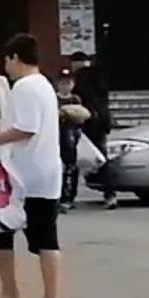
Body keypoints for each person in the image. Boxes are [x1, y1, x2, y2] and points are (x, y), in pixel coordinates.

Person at [0, 33, 66, 298]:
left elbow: (25, 129)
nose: (4, 67)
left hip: (22, 176)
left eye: (6, 60)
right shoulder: (45, 85)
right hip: (47, 173)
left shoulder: (23, 87)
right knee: (47, 239)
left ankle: (10, 293)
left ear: (14, 58)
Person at [70, 51, 116, 209]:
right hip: (102, 121)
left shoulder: (79, 78)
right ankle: (110, 194)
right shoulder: (100, 75)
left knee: (74, 158)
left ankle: (70, 196)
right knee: (102, 158)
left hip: (86, 122)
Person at [55, 69, 91, 214]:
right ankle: (59, 197)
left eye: (68, 83)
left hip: (72, 136)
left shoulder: (75, 99)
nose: (66, 86)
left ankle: (69, 197)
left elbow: (82, 116)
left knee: (71, 168)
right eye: (63, 83)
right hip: (56, 137)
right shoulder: (53, 98)